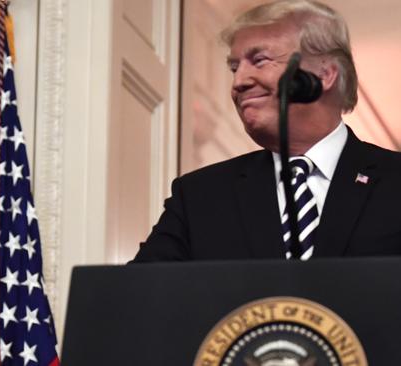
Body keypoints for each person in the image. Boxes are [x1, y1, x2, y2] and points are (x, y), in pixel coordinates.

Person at [133, 0, 401, 262]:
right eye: (234, 68)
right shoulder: (199, 196)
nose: (238, 82)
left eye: (259, 60)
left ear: (323, 74)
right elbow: (135, 295)